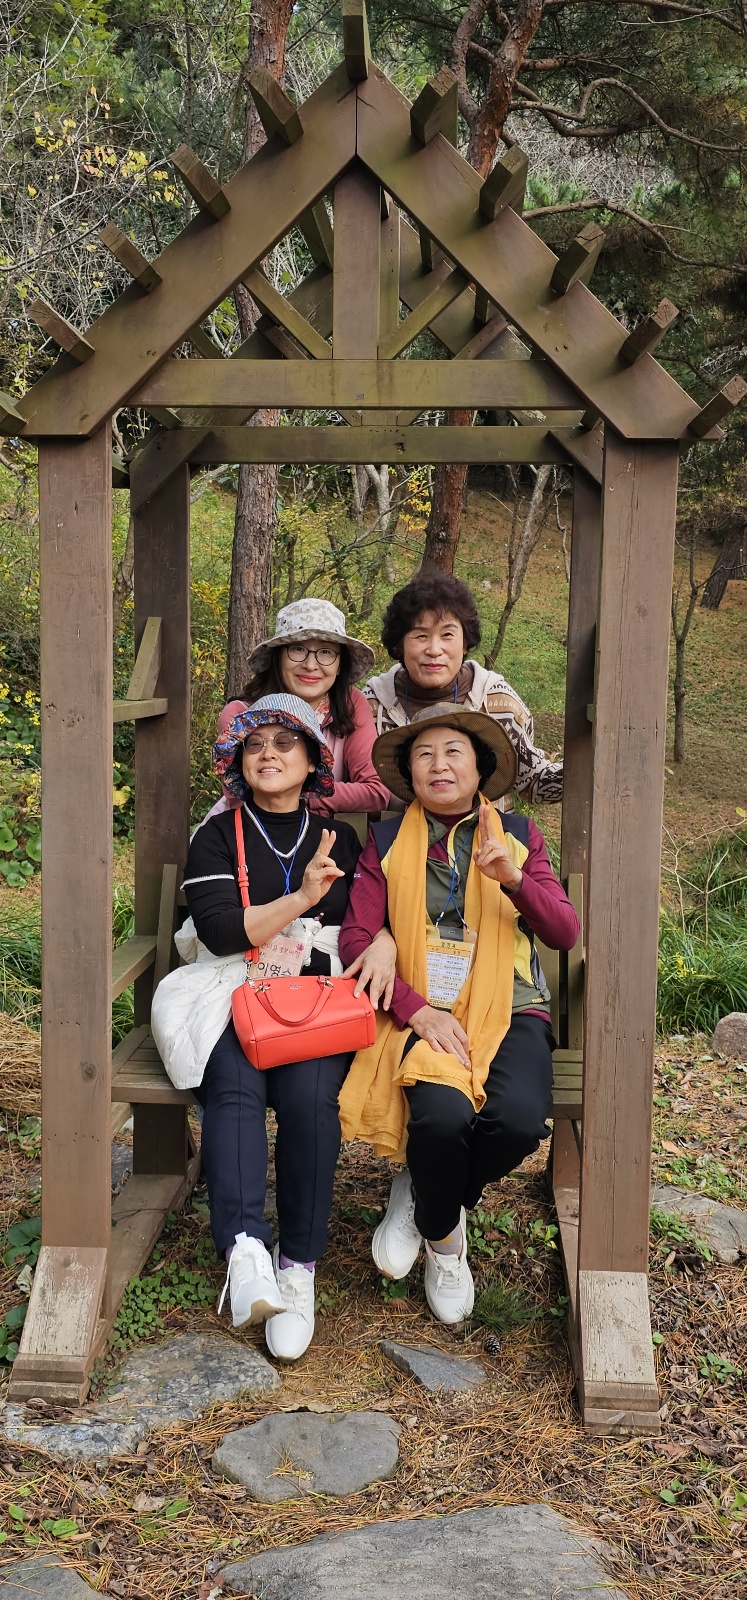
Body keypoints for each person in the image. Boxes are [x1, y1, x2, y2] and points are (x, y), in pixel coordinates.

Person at [152, 694, 395, 1362]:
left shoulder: (342, 838)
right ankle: (246, 1251)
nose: (268, 754)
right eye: (254, 745)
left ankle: (298, 1264)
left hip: (317, 1000)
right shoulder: (217, 834)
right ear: (237, 763)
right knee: (233, 1088)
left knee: (310, 1100)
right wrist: (302, 899)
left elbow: (369, 916)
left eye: (285, 744)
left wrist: (382, 942)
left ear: (314, 759)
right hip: (236, 990)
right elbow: (222, 931)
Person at [338, 703, 579, 1326]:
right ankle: (446, 1243)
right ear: (410, 774)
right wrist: (416, 1009)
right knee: (442, 1120)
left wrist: (514, 879)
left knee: (518, 1123)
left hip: (511, 1008)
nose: (438, 765)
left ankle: (425, 1191)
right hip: (424, 1012)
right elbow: (356, 936)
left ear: (480, 768)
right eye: (424, 755)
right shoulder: (387, 840)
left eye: (454, 753)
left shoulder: (517, 835)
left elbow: (563, 932)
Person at [363, 571, 563, 805]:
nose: (434, 650)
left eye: (447, 634)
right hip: (395, 829)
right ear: (400, 644)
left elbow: (534, 783)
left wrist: (591, 757)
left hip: (487, 828)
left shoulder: (497, 702)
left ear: (465, 643)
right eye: (421, 636)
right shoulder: (371, 707)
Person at [206, 599, 390, 821]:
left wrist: (292, 792)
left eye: (326, 652)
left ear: (340, 664)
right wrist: (323, 797)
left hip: (322, 835)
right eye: (297, 649)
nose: (311, 665)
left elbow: (376, 793)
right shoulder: (241, 716)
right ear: (278, 657)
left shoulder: (350, 704)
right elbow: (242, 798)